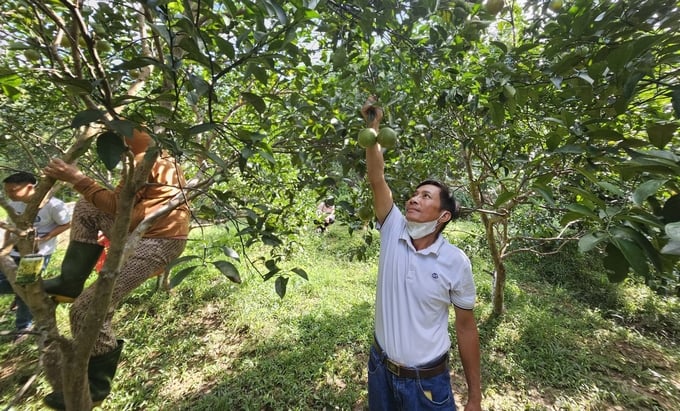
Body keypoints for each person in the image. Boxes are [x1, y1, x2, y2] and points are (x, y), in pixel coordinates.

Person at [41, 128, 190, 409]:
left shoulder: (148, 159)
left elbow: (118, 206)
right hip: (142, 230)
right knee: (87, 207)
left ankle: (96, 387)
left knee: (86, 309)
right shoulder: (151, 159)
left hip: (158, 240)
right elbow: (119, 206)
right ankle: (70, 281)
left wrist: (77, 179)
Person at [360, 101, 482, 411]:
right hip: (380, 371)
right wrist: (373, 128)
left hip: (426, 384)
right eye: (414, 194)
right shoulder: (393, 228)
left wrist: (475, 396)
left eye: (425, 196)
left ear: (443, 216)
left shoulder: (455, 262)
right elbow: (377, 178)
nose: (414, 198)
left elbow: (466, 327)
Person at [0, 172, 71, 343]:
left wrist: (45, 238)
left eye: (13, 190)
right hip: (13, 251)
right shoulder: (13, 204)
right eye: (7, 191)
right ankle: (27, 294)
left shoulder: (53, 205)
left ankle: (23, 326)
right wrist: (5, 249)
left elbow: (66, 223)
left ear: (30, 187)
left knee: (26, 286)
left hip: (38, 254)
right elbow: (10, 227)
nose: (9, 194)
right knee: (17, 286)